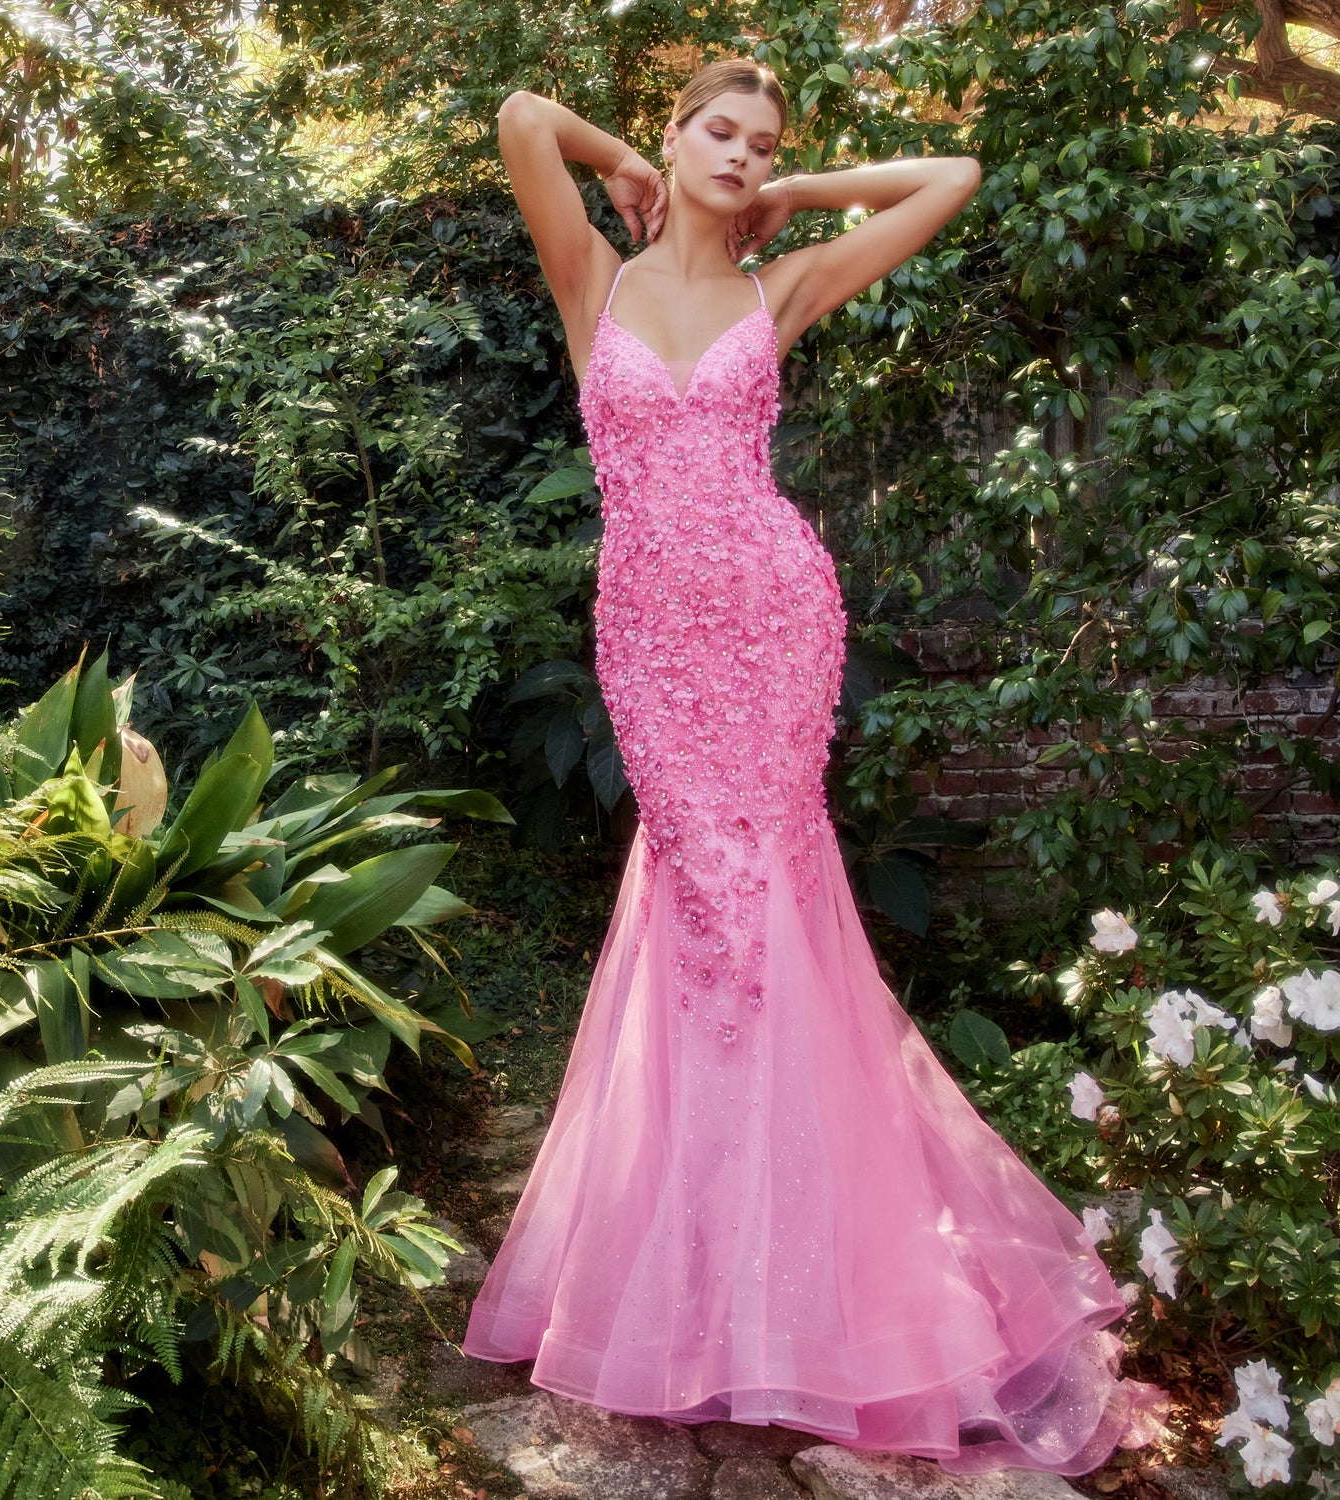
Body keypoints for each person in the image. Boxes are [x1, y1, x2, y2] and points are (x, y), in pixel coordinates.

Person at [462, 58, 1165, 1475]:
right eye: (718, 131)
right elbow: (524, 121)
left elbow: (952, 177)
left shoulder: (777, 291)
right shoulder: (592, 278)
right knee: (707, 916)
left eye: (761, 140)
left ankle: (790, 1297)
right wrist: (624, 163)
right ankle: (710, 1277)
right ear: (675, 136)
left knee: (768, 921)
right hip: (654, 643)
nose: (739, 152)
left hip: (776, 624)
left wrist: (796, 189)